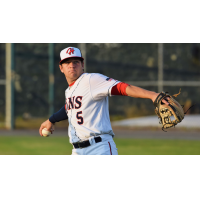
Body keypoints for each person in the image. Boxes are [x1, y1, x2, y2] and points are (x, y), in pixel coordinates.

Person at [39, 47, 168, 155]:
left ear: (82, 65)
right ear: (61, 68)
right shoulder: (69, 90)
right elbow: (69, 108)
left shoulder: (91, 80)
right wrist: (51, 120)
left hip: (99, 148)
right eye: (67, 63)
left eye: (76, 62)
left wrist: (153, 95)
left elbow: (121, 87)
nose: (72, 65)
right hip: (77, 151)